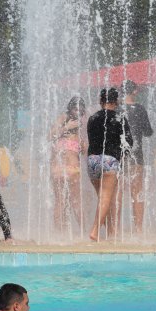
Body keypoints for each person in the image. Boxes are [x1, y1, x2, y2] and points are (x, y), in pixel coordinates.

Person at [87, 87, 133, 241]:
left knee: (103, 199)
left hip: (92, 161)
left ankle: (111, 233)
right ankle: (95, 231)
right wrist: (123, 158)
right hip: (109, 161)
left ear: (101, 101)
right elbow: (129, 143)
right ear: (116, 101)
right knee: (106, 199)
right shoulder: (120, 117)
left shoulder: (92, 118)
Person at [121, 80, 153, 233]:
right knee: (137, 192)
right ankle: (138, 229)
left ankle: (114, 229)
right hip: (136, 154)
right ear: (134, 91)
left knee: (117, 192)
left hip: (118, 155)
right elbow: (148, 132)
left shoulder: (117, 108)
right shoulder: (139, 109)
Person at [50, 96, 87, 232]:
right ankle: (80, 233)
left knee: (68, 201)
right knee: (68, 201)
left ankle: (64, 234)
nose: (77, 111)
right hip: (64, 168)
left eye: (80, 109)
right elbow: (49, 135)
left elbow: (84, 150)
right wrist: (67, 127)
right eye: (75, 108)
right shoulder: (64, 119)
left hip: (63, 169)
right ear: (70, 108)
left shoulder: (80, 127)